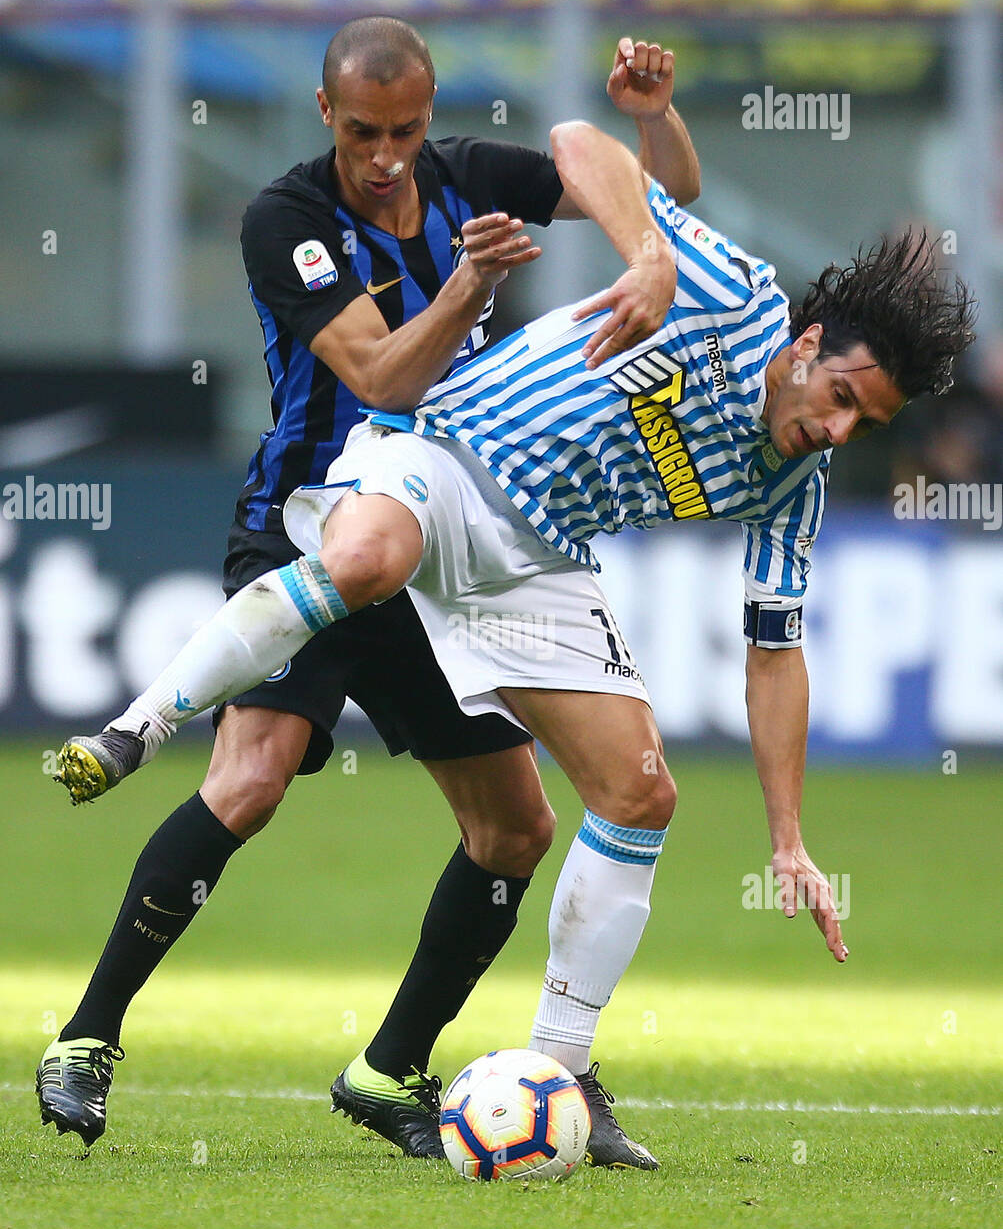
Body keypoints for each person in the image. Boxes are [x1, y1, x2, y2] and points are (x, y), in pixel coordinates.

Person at [46, 119, 976, 1173]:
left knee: (634, 794)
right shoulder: (736, 295)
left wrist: (788, 837)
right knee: (358, 572)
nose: (841, 429)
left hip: (535, 560)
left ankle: (554, 1069)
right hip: (444, 451)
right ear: (805, 350)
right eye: (843, 398)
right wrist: (651, 254)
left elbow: (775, 656)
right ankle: (140, 723)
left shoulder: (787, 487)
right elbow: (579, 139)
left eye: (868, 423)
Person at [39, 20, 702, 1168]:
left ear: (429, 111)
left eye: (403, 131)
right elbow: (383, 372)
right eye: (362, 133)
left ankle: (387, 1066)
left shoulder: (470, 176)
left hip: (445, 550)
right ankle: (87, 1037)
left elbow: (668, 216)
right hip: (313, 538)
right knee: (246, 785)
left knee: (515, 828)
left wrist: (650, 121)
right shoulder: (285, 220)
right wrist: (470, 283)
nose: (387, 156)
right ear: (322, 111)